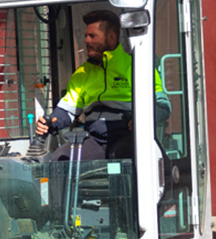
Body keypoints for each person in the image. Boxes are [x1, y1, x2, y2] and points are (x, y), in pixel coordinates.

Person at [33, 9, 168, 161]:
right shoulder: (82, 73)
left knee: (121, 155)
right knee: (60, 158)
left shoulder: (137, 67)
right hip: (94, 139)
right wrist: (50, 122)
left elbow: (162, 105)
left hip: (127, 135)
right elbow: (67, 110)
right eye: (85, 36)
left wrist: (142, 118)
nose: (86, 41)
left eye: (92, 36)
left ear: (111, 37)